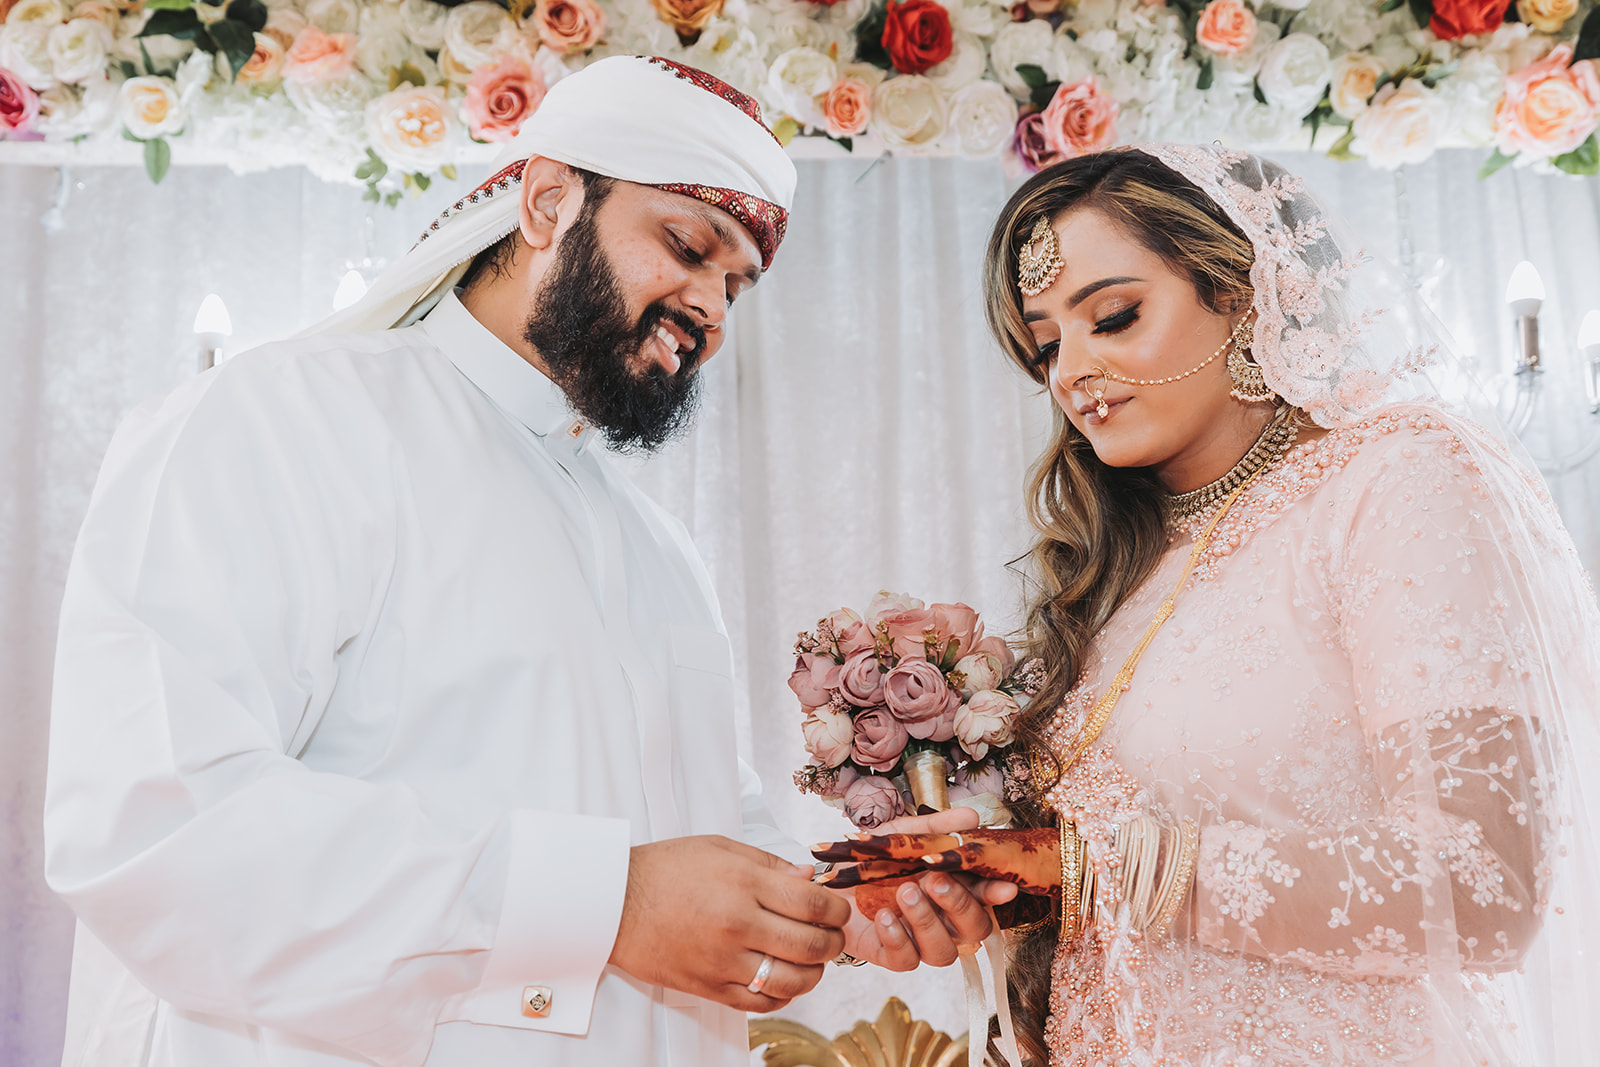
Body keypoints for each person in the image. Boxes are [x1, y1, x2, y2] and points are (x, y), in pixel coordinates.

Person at [42, 55, 1007, 1067]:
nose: (713, 311)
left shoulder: (657, 546)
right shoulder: (285, 420)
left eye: (735, 283)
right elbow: (157, 825)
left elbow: (694, 822)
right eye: (686, 246)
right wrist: (605, 903)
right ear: (548, 201)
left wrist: (845, 899)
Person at [816, 145, 1600, 1066]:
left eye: (1114, 316)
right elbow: (1103, 896)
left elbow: (1484, 883)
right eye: (1048, 346)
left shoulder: (1396, 480)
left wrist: (1085, 867)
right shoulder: (1118, 571)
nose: (1073, 372)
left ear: (1241, 291)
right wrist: (986, 883)